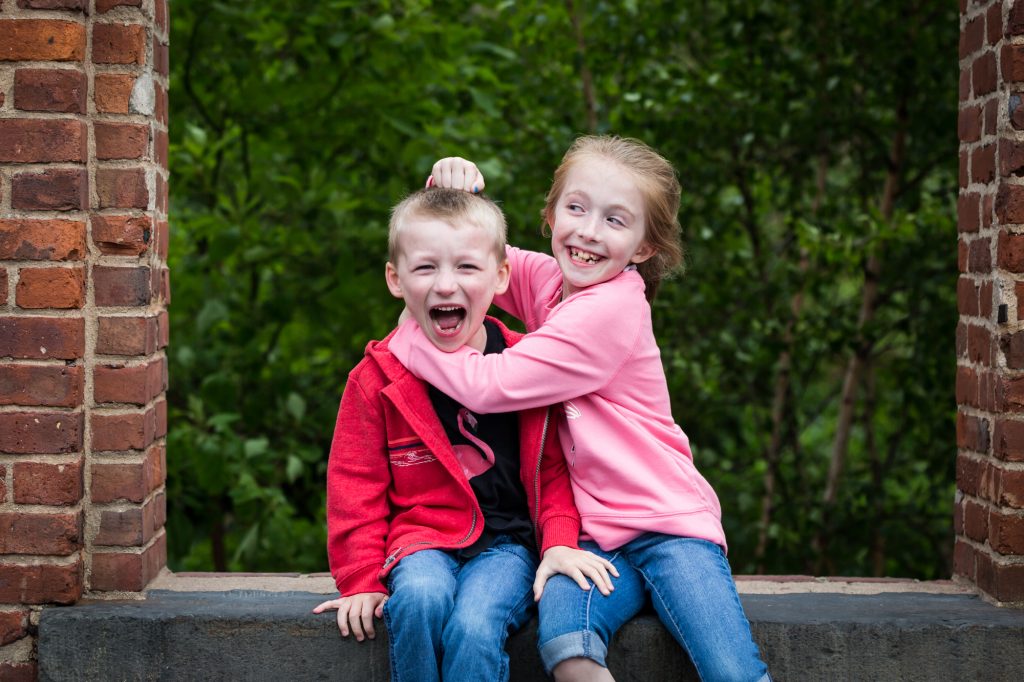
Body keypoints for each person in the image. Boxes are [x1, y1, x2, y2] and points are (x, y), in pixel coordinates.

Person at [389, 136, 772, 682]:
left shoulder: (610, 309)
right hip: (591, 541)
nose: (589, 230)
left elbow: (489, 386)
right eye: (576, 208)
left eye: (615, 220)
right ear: (550, 216)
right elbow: (472, 261)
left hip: (669, 528)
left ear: (643, 247)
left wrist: (408, 337)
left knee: (731, 670)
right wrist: (451, 192)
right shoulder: (554, 283)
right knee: (569, 648)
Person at [312, 187, 616, 682]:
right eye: (426, 267)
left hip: (507, 546)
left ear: (500, 277)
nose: (446, 285)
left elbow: (556, 470)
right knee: (418, 599)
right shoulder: (378, 378)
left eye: (467, 268)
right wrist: (361, 580)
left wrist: (559, 540)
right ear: (396, 279)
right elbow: (354, 486)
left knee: (475, 625)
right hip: (420, 540)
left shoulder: (526, 367)